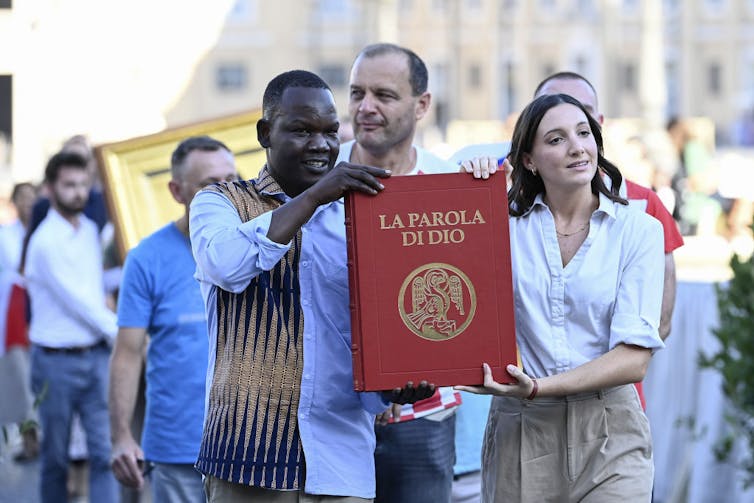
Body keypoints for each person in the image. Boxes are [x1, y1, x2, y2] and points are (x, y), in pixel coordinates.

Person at [189, 69, 433, 501]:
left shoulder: (362, 218)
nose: (321, 145)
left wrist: (394, 384)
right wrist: (316, 196)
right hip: (248, 453)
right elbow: (227, 265)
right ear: (266, 132)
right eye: (301, 130)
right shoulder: (219, 202)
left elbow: (370, 330)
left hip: (339, 458)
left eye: (329, 132)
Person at [457, 93, 665, 502]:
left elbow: (634, 358)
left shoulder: (638, 230)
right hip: (522, 430)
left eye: (584, 133)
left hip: (610, 428)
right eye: (555, 139)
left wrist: (538, 386)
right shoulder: (500, 227)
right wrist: (468, 191)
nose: (576, 147)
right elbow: (440, 274)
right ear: (529, 160)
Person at [337, 42, 465, 503]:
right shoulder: (316, 181)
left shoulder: (450, 185)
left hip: (423, 422)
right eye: (356, 93)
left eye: (384, 95)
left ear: (422, 104)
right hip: (330, 422)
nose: (365, 107)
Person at [109, 136, 239, 502]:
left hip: (250, 447)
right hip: (177, 450)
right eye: (210, 184)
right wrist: (120, 435)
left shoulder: (258, 244)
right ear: (176, 191)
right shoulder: (147, 257)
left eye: (233, 178)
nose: (227, 192)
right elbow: (128, 352)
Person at [24, 151, 118, 503]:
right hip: (55, 363)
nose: (78, 192)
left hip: (93, 356)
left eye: (83, 184)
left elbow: (94, 288)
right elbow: (80, 302)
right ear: (50, 189)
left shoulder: (89, 230)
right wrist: (125, 334)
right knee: (56, 460)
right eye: (69, 185)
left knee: (104, 454)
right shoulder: (46, 241)